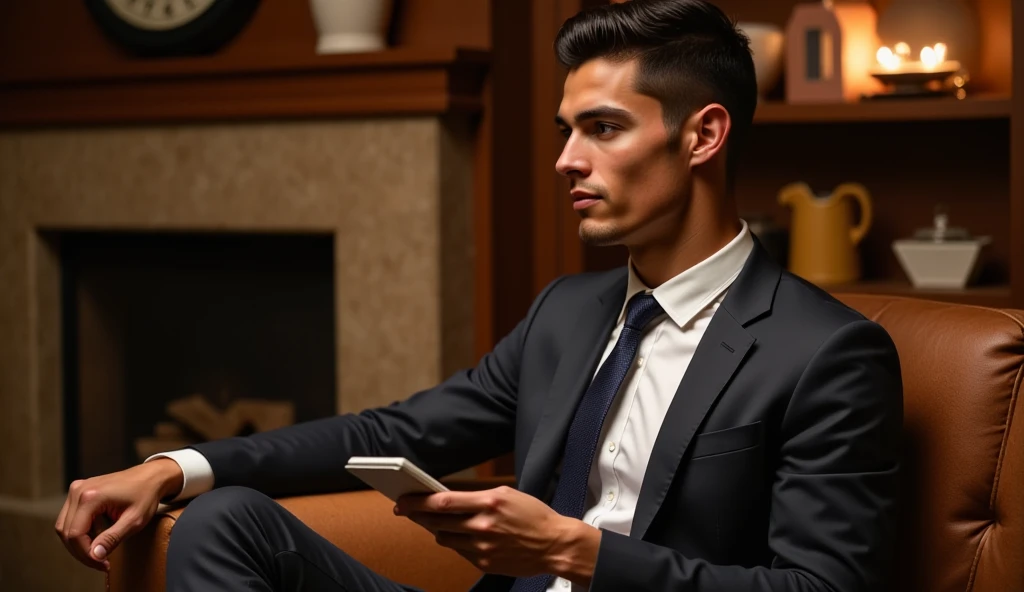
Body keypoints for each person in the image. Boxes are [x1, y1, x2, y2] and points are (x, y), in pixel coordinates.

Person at [55, 1, 903, 590]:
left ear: (703, 135)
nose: (568, 159)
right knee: (222, 520)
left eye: (602, 128)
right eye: (566, 130)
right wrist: (176, 464)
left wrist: (578, 554)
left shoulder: (826, 353)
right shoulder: (569, 311)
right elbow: (390, 433)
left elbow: (818, 586)